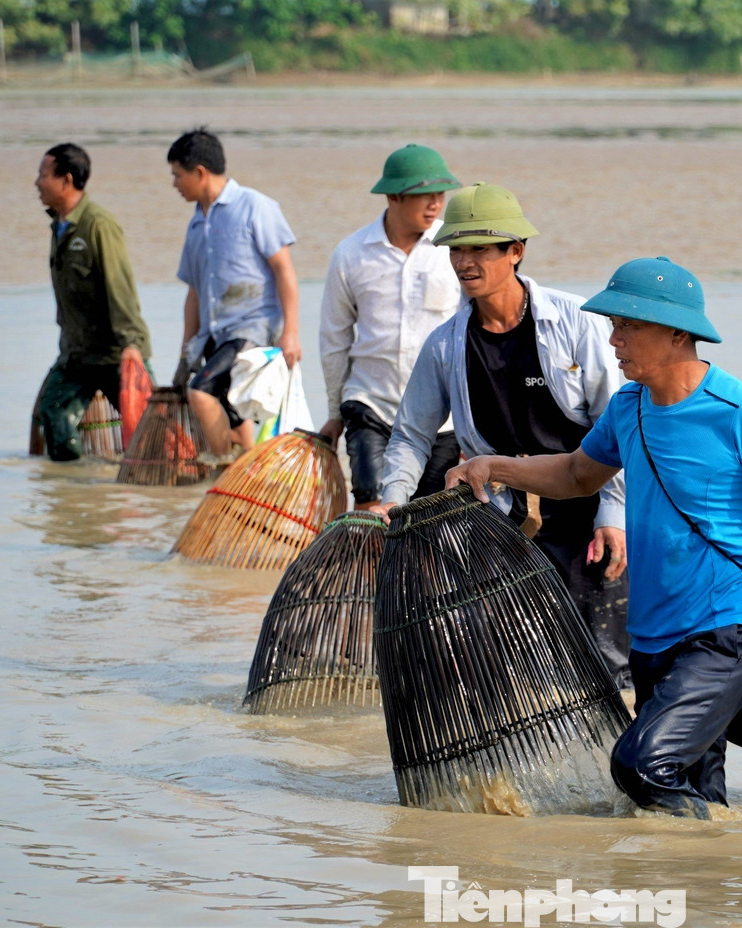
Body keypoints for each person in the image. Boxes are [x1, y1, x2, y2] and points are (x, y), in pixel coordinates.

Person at [445, 257, 742, 820]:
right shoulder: (629, 407)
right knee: (688, 782)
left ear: (677, 334)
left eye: (629, 326)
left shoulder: (741, 412)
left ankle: (728, 853)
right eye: (613, 324)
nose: (614, 338)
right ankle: (714, 884)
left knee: (639, 766)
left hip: (727, 629)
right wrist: (493, 465)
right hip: (649, 638)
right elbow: (577, 475)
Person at [377, 183, 632, 687]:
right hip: (502, 519)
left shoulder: (575, 322)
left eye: (480, 249)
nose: (464, 262)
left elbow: (617, 425)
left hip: (586, 511)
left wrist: (615, 514)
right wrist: (391, 501)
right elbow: (410, 435)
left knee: (607, 664)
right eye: (456, 249)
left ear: (515, 251)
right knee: (508, 660)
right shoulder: (446, 345)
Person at [318, 144, 463, 509]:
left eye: (440, 194)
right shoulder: (351, 254)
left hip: (441, 418)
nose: (435, 204)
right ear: (394, 196)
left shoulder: (456, 250)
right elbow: (334, 340)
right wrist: (335, 413)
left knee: (428, 524)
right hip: (370, 405)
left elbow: (475, 335)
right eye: (424, 195)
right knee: (372, 513)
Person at [169, 128, 301, 461]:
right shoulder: (196, 224)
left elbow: (284, 270)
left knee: (200, 392)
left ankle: (223, 472)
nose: (174, 184)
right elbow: (194, 294)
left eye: (177, 176)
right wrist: (187, 353)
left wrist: (291, 333)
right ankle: (249, 471)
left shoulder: (254, 207)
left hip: (251, 330)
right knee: (238, 419)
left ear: (199, 172)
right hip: (215, 333)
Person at [33, 142, 153, 462]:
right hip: (76, 354)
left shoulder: (98, 225)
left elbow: (120, 288)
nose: (37, 183)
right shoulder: (59, 226)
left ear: (66, 180)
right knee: (53, 413)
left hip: (114, 352)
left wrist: (131, 346)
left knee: (151, 431)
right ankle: (74, 487)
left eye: (43, 175)